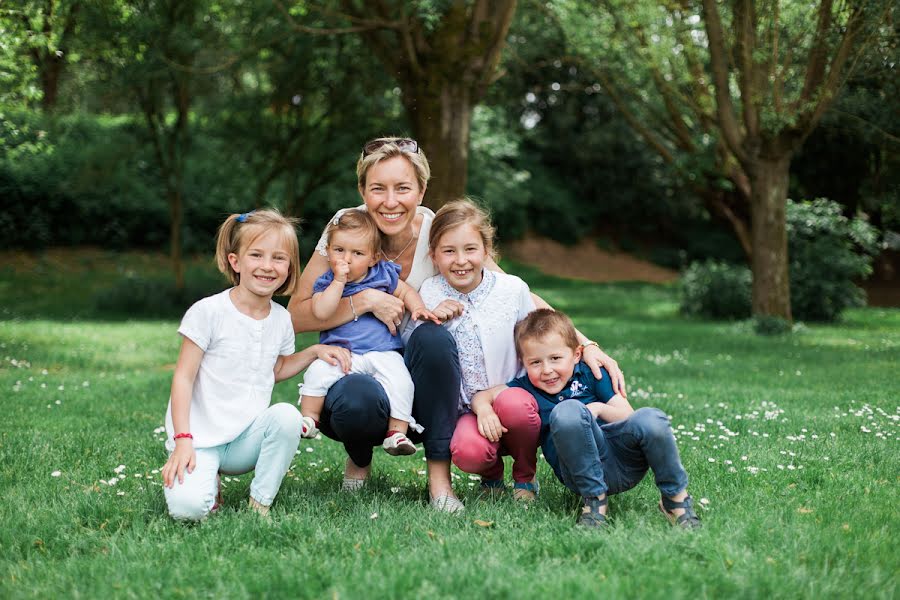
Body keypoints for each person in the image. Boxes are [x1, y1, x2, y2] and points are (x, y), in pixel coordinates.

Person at [287, 137, 626, 512]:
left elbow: (514, 291)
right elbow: (297, 316)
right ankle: (359, 457)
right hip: (358, 366)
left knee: (433, 339)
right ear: (361, 190)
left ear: (421, 189)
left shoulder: (439, 232)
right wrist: (363, 301)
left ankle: (439, 481)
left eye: (402, 188)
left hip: (424, 376)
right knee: (357, 401)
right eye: (377, 188)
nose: (390, 201)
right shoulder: (346, 229)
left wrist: (586, 343)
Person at [161, 209, 350, 520]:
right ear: (236, 262)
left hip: (244, 440)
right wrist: (183, 441)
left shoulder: (280, 318)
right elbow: (183, 378)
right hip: (200, 439)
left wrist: (313, 351)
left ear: (290, 268)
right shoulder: (208, 312)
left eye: (278, 258)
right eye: (256, 255)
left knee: (288, 416)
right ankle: (208, 481)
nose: (267, 266)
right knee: (188, 510)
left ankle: (259, 502)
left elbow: (274, 371)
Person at [472, 309, 701, 529]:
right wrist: (484, 410)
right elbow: (483, 396)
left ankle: (675, 498)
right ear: (523, 363)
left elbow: (627, 416)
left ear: (577, 355)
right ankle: (594, 505)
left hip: (622, 461)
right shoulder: (527, 388)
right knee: (568, 411)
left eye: (555, 358)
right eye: (535, 362)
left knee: (651, 417)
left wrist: (599, 408)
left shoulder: (591, 373)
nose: (547, 370)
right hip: (578, 473)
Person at [413, 199, 540, 501]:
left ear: (486, 251)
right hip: (466, 409)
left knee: (517, 409)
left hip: (510, 395)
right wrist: (436, 318)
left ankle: (525, 477)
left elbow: (534, 338)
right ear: (433, 255)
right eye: (448, 251)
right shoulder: (429, 292)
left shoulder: (512, 289)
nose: (461, 260)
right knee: (469, 451)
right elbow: (420, 351)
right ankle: (491, 476)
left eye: (470, 249)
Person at [298, 209, 439, 456]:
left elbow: (405, 292)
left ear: (373, 258)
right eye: (339, 250)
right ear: (328, 250)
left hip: (383, 351)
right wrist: (338, 283)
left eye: (357, 253)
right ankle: (309, 420)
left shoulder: (382, 273)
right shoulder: (326, 281)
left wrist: (418, 308)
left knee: (401, 382)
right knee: (317, 373)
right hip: (343, 353)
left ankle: (396, 432)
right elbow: (322, 311)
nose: (347, 259)